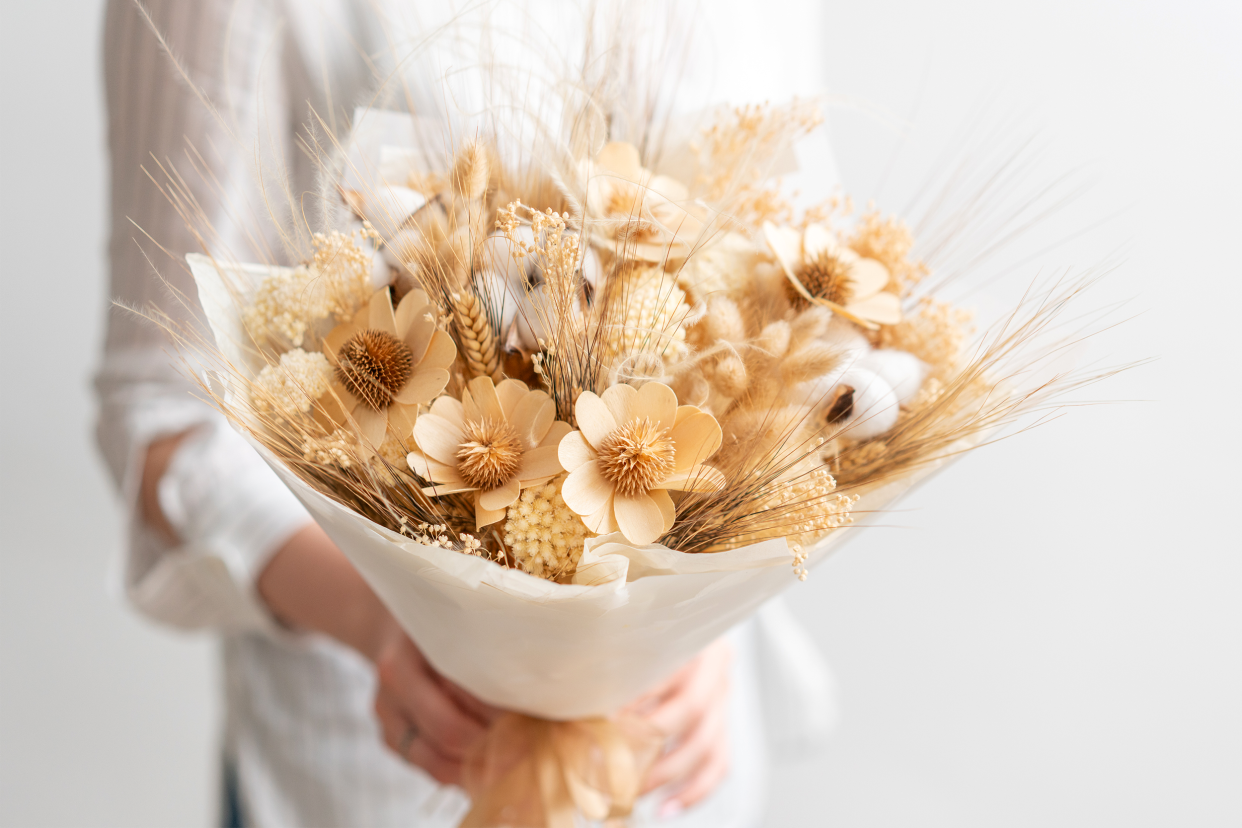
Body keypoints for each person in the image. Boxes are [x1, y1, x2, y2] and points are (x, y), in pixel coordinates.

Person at [95, 1, 837, 826]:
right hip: (375, 781)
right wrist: (384, 621)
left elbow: (789, 319)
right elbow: (163, 411)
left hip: (683, 782)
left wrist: (707, 614)